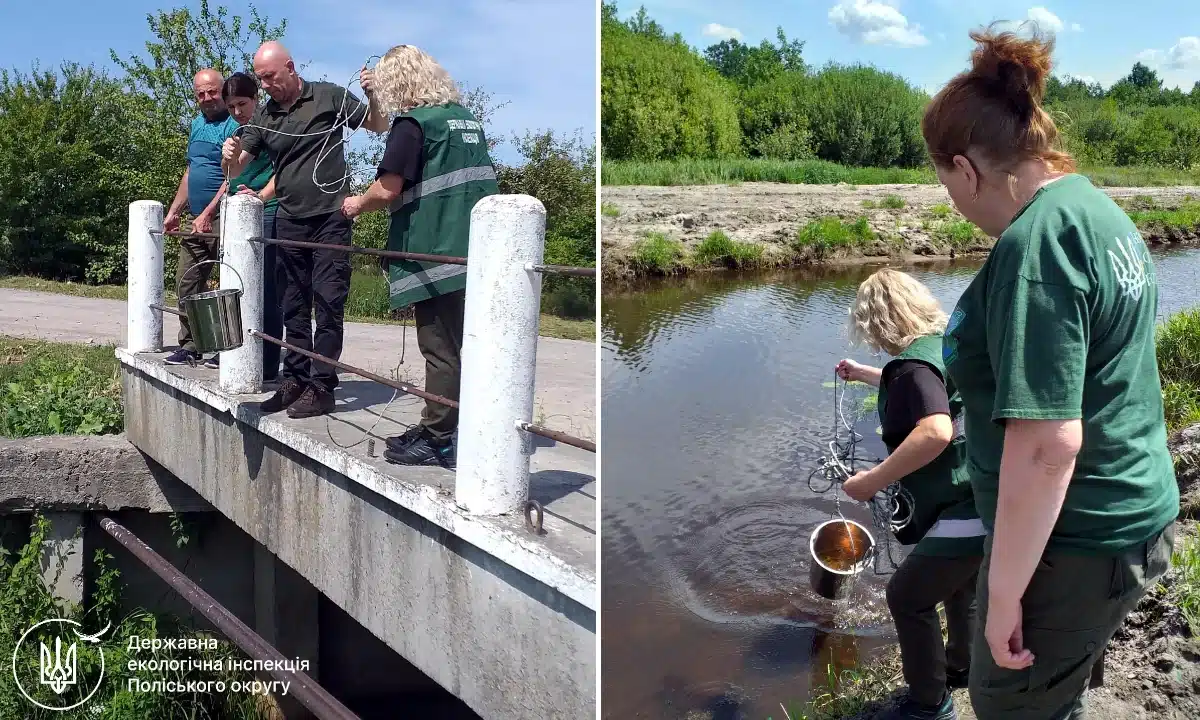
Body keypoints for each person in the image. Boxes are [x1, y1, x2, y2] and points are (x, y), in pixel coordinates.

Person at [922, 25, 1179, 719]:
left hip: (1077, 539)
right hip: (1129, 514)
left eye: (947, 186)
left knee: (1008, 706)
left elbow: (1046, 446)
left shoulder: (1035, 243)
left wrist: (1004, 595)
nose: (956, 205)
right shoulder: (1094, 209)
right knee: (1058, 694)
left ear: (966, 169)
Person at [340, 45, 499, 468]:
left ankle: (439, 440)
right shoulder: (464, 120)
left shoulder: (412, 124)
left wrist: (357, 203)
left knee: (439, 348)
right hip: (476, 248)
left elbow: (387, 189)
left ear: (398, 82)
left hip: (434, 251)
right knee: (461, 345)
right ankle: (439, 425)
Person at [835, 268, 985, 720]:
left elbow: (935, 430)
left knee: (906, 597)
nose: (871, 339)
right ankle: (961, 667)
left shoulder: (912, 367)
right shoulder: (941, 345)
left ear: (879, 322)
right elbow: (926, 389)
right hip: (983, 491)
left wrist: (872, 480)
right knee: (960, 585)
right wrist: (865, 374)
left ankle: (930, 705)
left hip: (961, 507)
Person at [222, 42, 390, 418]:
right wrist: (229, 158)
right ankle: (295, 379)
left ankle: (322, 386)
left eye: (270, 76)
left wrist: (374, 95)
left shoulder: (328, 96)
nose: (266, 85)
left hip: (331, 218)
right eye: (261, 79)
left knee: (328, 302)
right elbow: (236, 168)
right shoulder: (264, 116)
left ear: (291, 67)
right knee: (293, 305)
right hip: (289, 219)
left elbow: (378, 126)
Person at [164, 68, 240, 366]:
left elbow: (234, 175)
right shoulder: (196, 124)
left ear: (223, 91)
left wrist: (209, 212)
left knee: (228, 284)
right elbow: (191, 170)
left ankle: (227, 349)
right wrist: (174, 211)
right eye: (200, 94)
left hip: (224, 217)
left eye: (212, 92)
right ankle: (191, 345)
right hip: (195, 218)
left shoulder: (234, 124)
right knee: (187, 281)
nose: (207, 98)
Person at [221, 71, 283, 382]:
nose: (237, 111)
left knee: (267, 288)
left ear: (256, 98)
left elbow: (286, 169)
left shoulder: (268, 123)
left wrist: (260, 195)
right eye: (231, 106)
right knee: (237, 283)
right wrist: (226, 157)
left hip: (268, 210)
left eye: (242, 104)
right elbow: (231, 173)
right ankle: (238, 351)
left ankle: (268, 362)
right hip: (238, 212)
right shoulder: (235, 129)